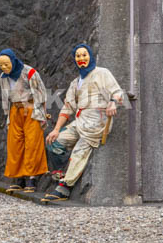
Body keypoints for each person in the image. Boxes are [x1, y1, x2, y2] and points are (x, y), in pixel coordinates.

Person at [42, 43, 125, 203]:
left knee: (79, 151)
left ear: (90, 56)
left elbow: (117, 92)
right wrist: (56, 129)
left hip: (97, 121)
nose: (81, 58)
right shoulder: (75, 83)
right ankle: (61, 171)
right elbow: (68, 107)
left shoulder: (102, 73)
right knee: (53, 142)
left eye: (84, 55)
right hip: (80, 121)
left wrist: (113, 102)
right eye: (78, 56)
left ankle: (64, 187)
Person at [0, 48, 49, 192]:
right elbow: (5, 97)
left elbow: (41, 94)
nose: (4, 67)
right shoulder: (3, 77)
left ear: (13, 61)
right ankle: (18, 177)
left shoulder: (29, 72)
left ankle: (31, 178)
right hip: (15, 110)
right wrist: (7, 115)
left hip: (31, 109)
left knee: (32, 143)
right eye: (1, 65)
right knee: (15, 143)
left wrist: (42, 114)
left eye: (6, 64)